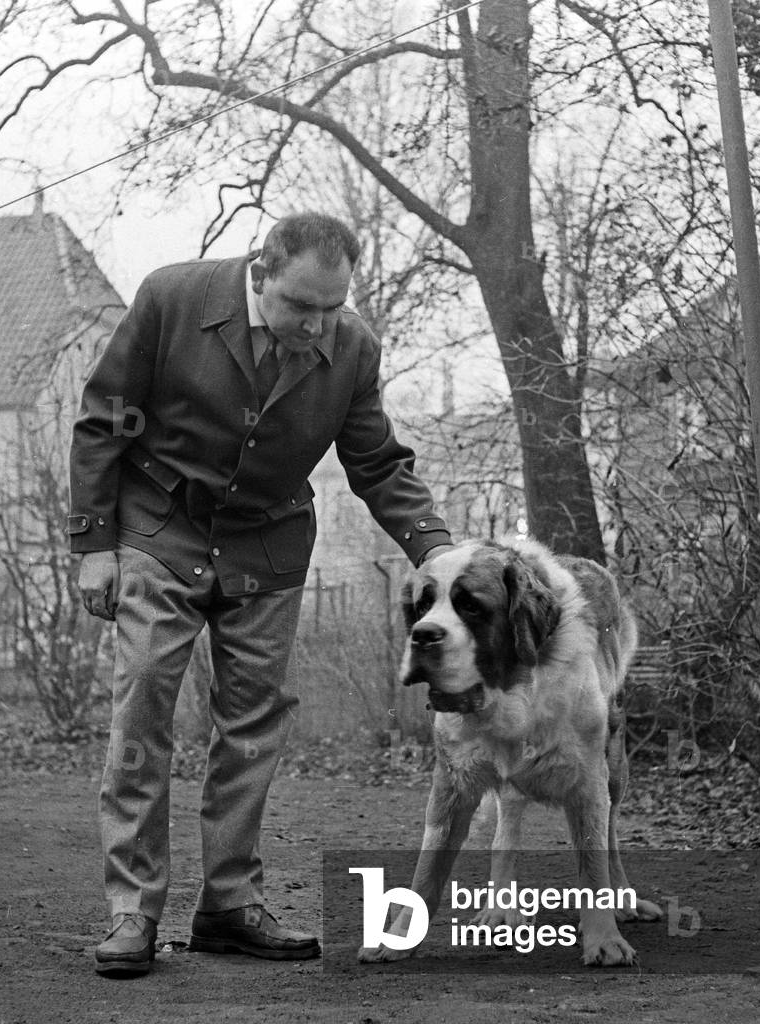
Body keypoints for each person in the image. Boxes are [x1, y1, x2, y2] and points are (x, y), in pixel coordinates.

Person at [69, 211, 452, 977]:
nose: (317, 325)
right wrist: (93, 546)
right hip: (160, 527)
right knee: (144, 696)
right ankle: (132, 910)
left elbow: (376, 462)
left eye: (332, 307)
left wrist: (436, 550)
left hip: (267, 544)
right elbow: (105, 420)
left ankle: (229, 906)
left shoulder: (352, 348)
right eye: (301, 307)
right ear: (259, 275)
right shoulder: (172, 299)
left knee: (253, 723)